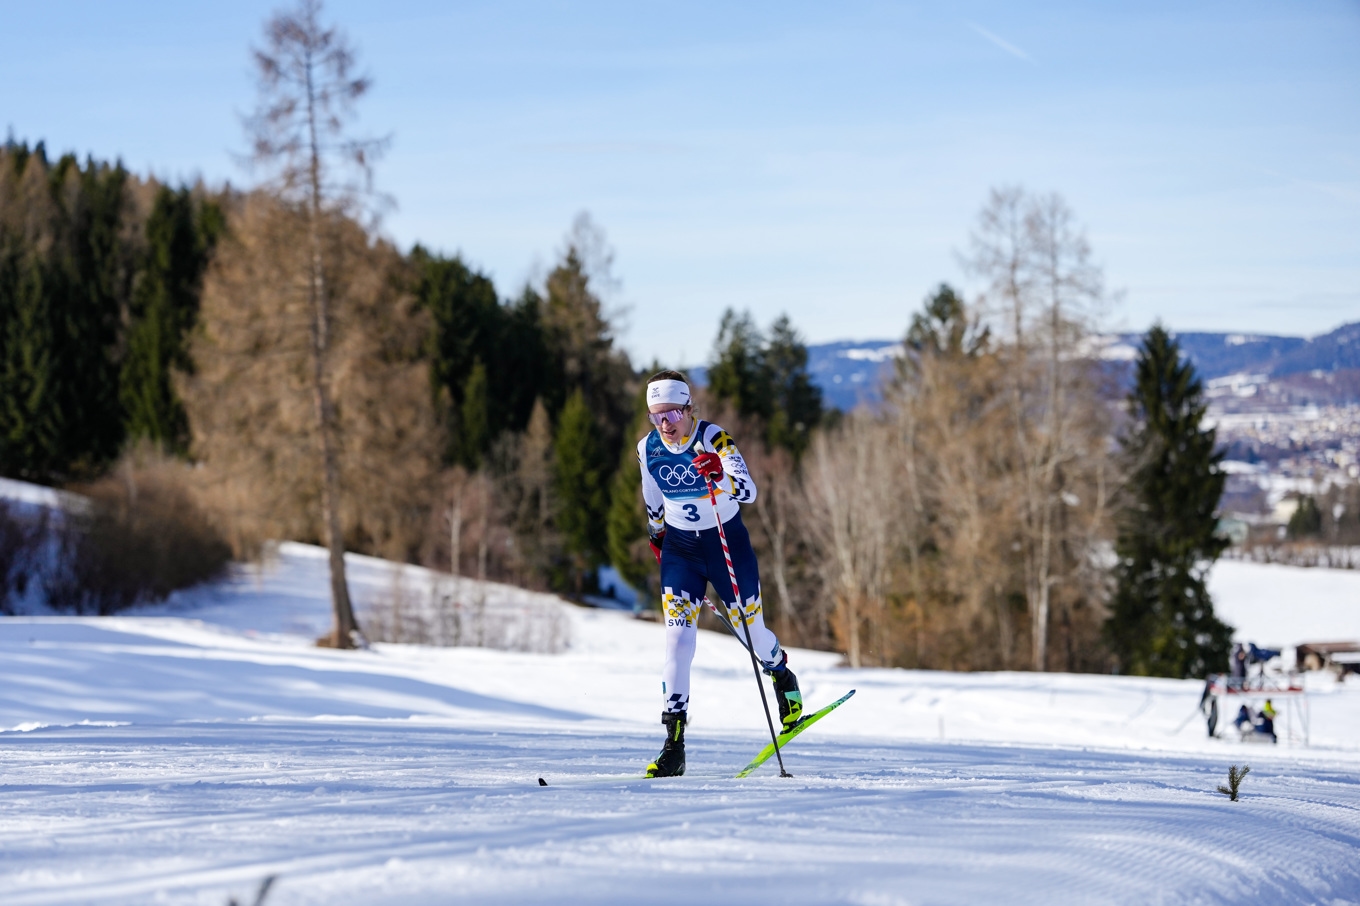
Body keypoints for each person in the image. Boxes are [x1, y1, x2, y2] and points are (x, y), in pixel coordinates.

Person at [636, 370, 801, 778]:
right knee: (678, 643)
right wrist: (657, 531)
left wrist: (721, 475)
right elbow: (652, 493)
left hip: (726, 543)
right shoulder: (647, 448)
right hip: (682, 552)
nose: (665, 424)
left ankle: (779, 671)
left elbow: (749, 492)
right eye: (656, 415)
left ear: (690, 408)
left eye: (672, 413)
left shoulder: (715, 439)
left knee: (752, 633)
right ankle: (674, 746)